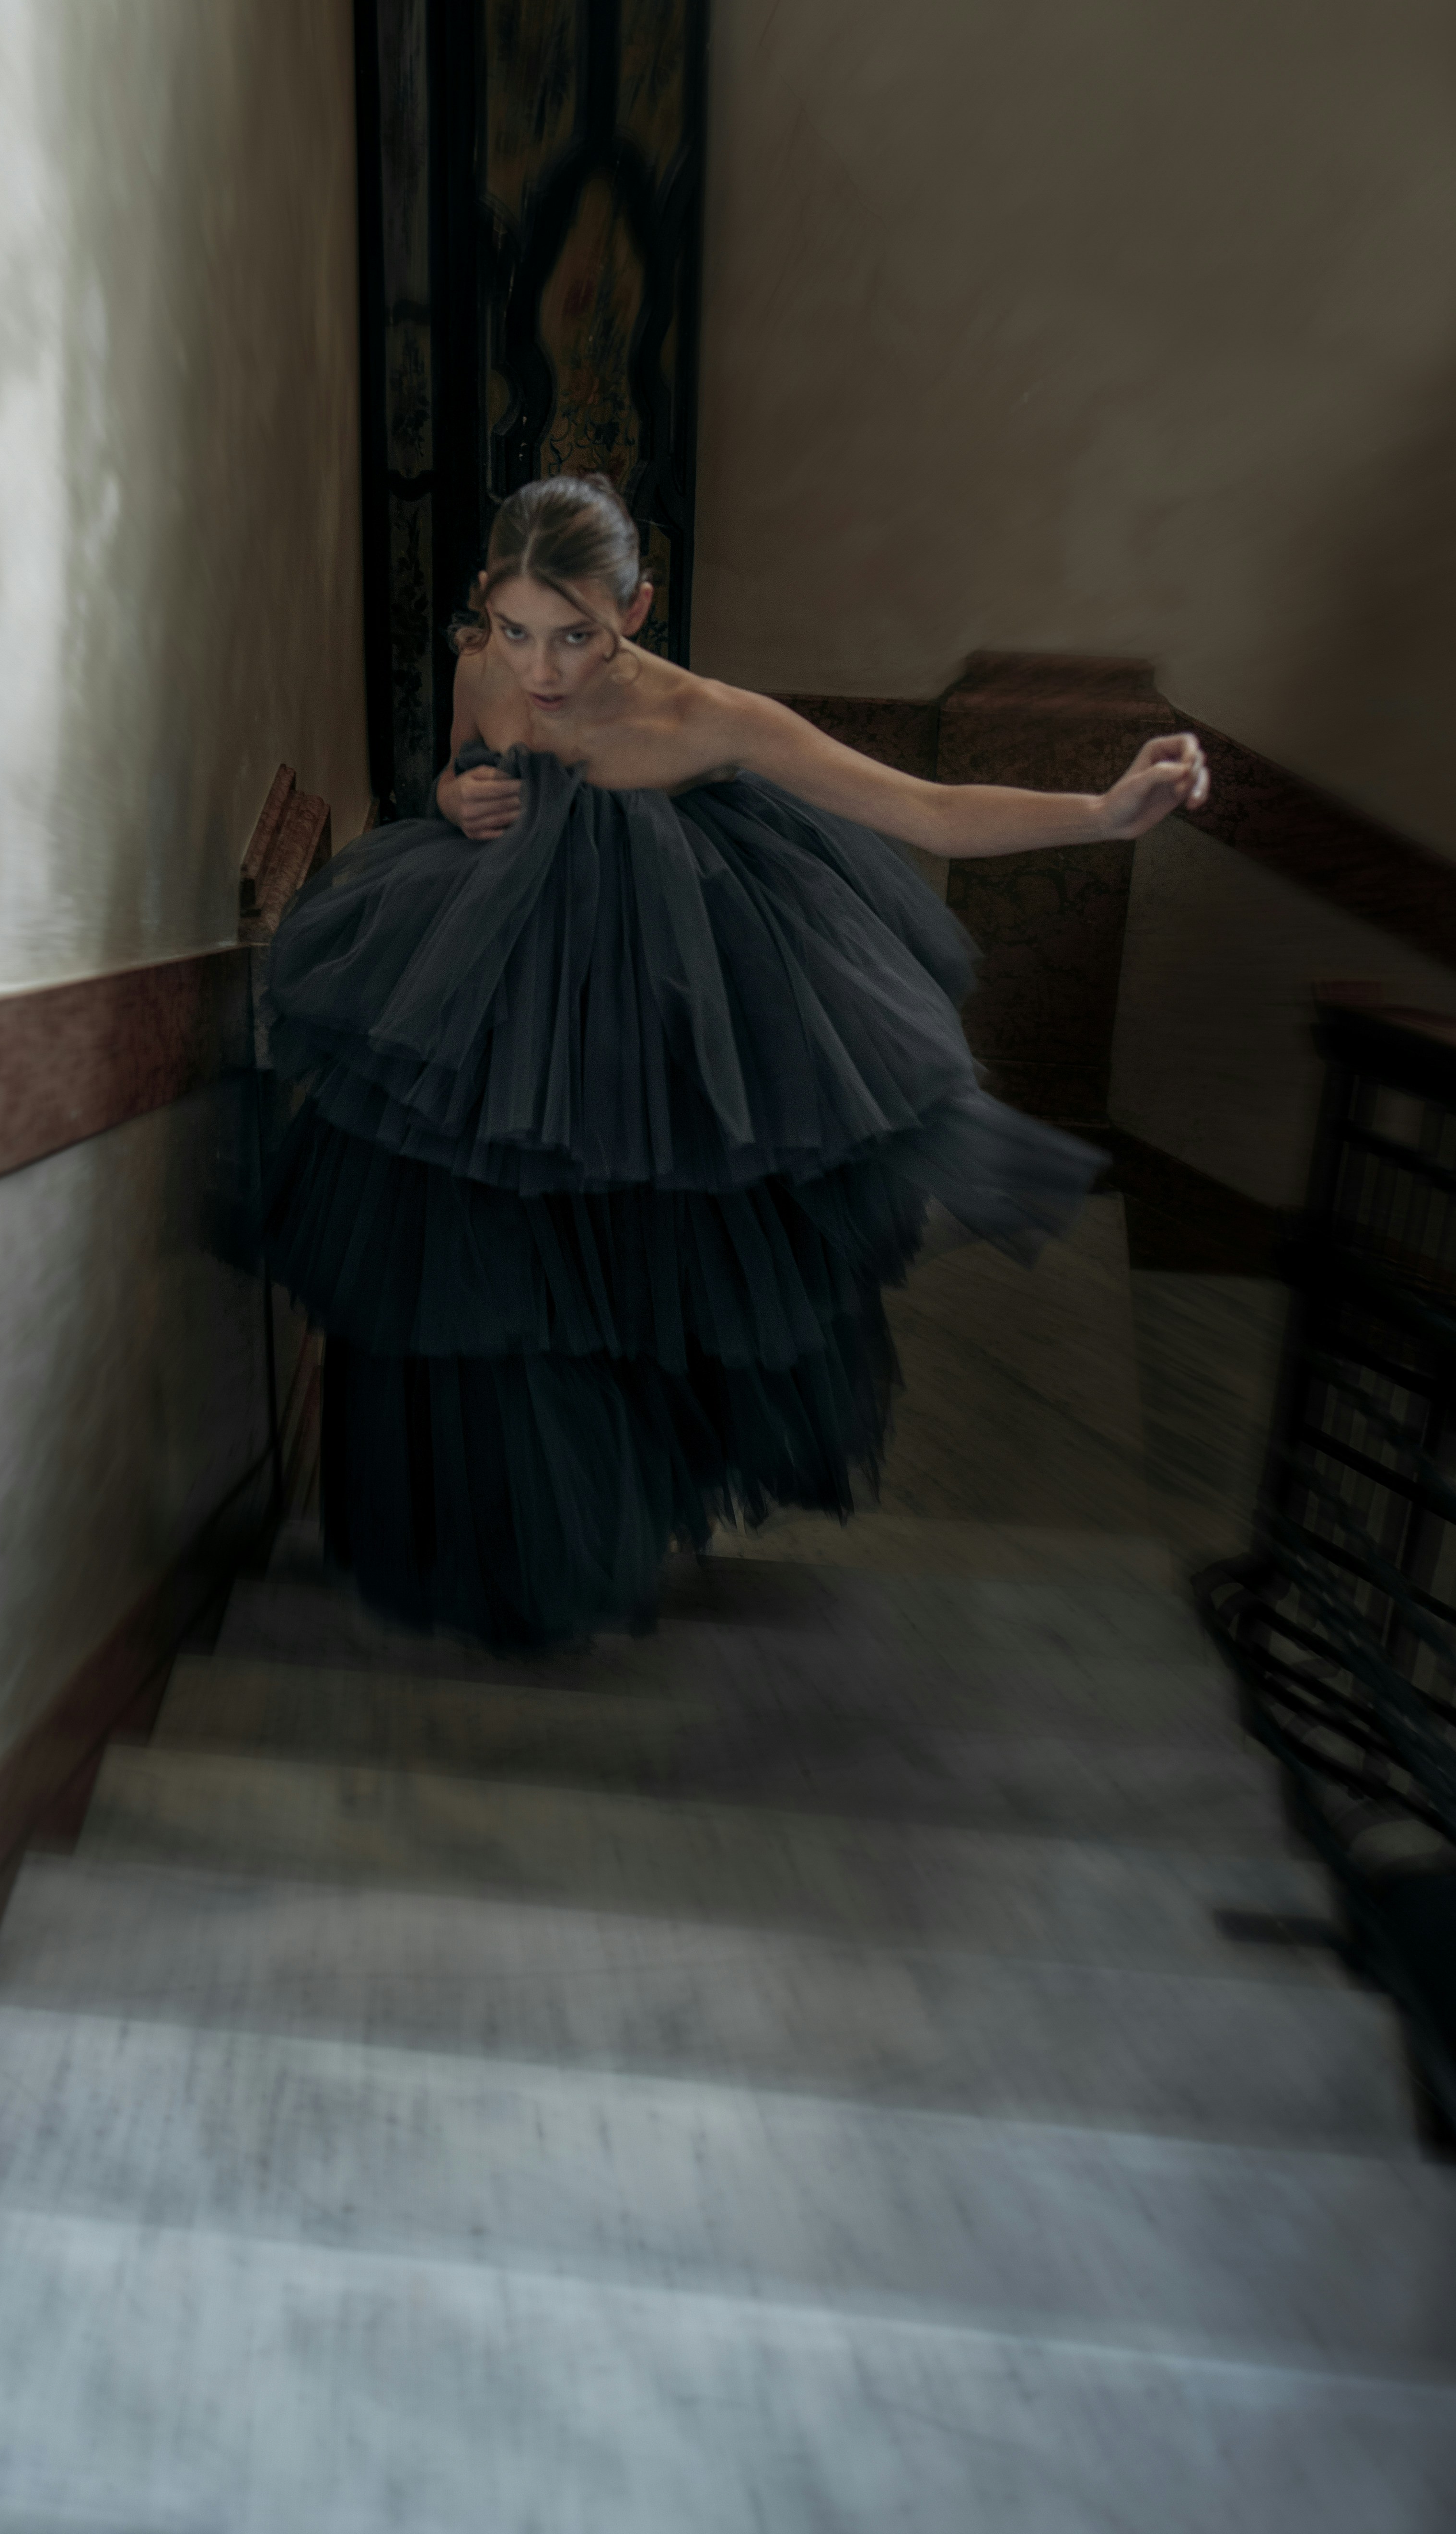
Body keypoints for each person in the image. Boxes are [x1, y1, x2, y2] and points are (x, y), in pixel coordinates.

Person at [263, 473, 1209, 1653]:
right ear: (485, 607)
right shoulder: (480, 671)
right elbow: (457, 766)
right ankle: (503, 1550)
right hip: (499, 1015)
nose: (541, 670)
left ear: (636, 608)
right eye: (514, 630)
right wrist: (460, 798)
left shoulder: (712, 719)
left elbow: (924, 811)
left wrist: (1101, 814)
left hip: (654, 1031)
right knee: (484, 1277)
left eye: (575, 636)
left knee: (635, 1294)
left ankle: (598, 1542)